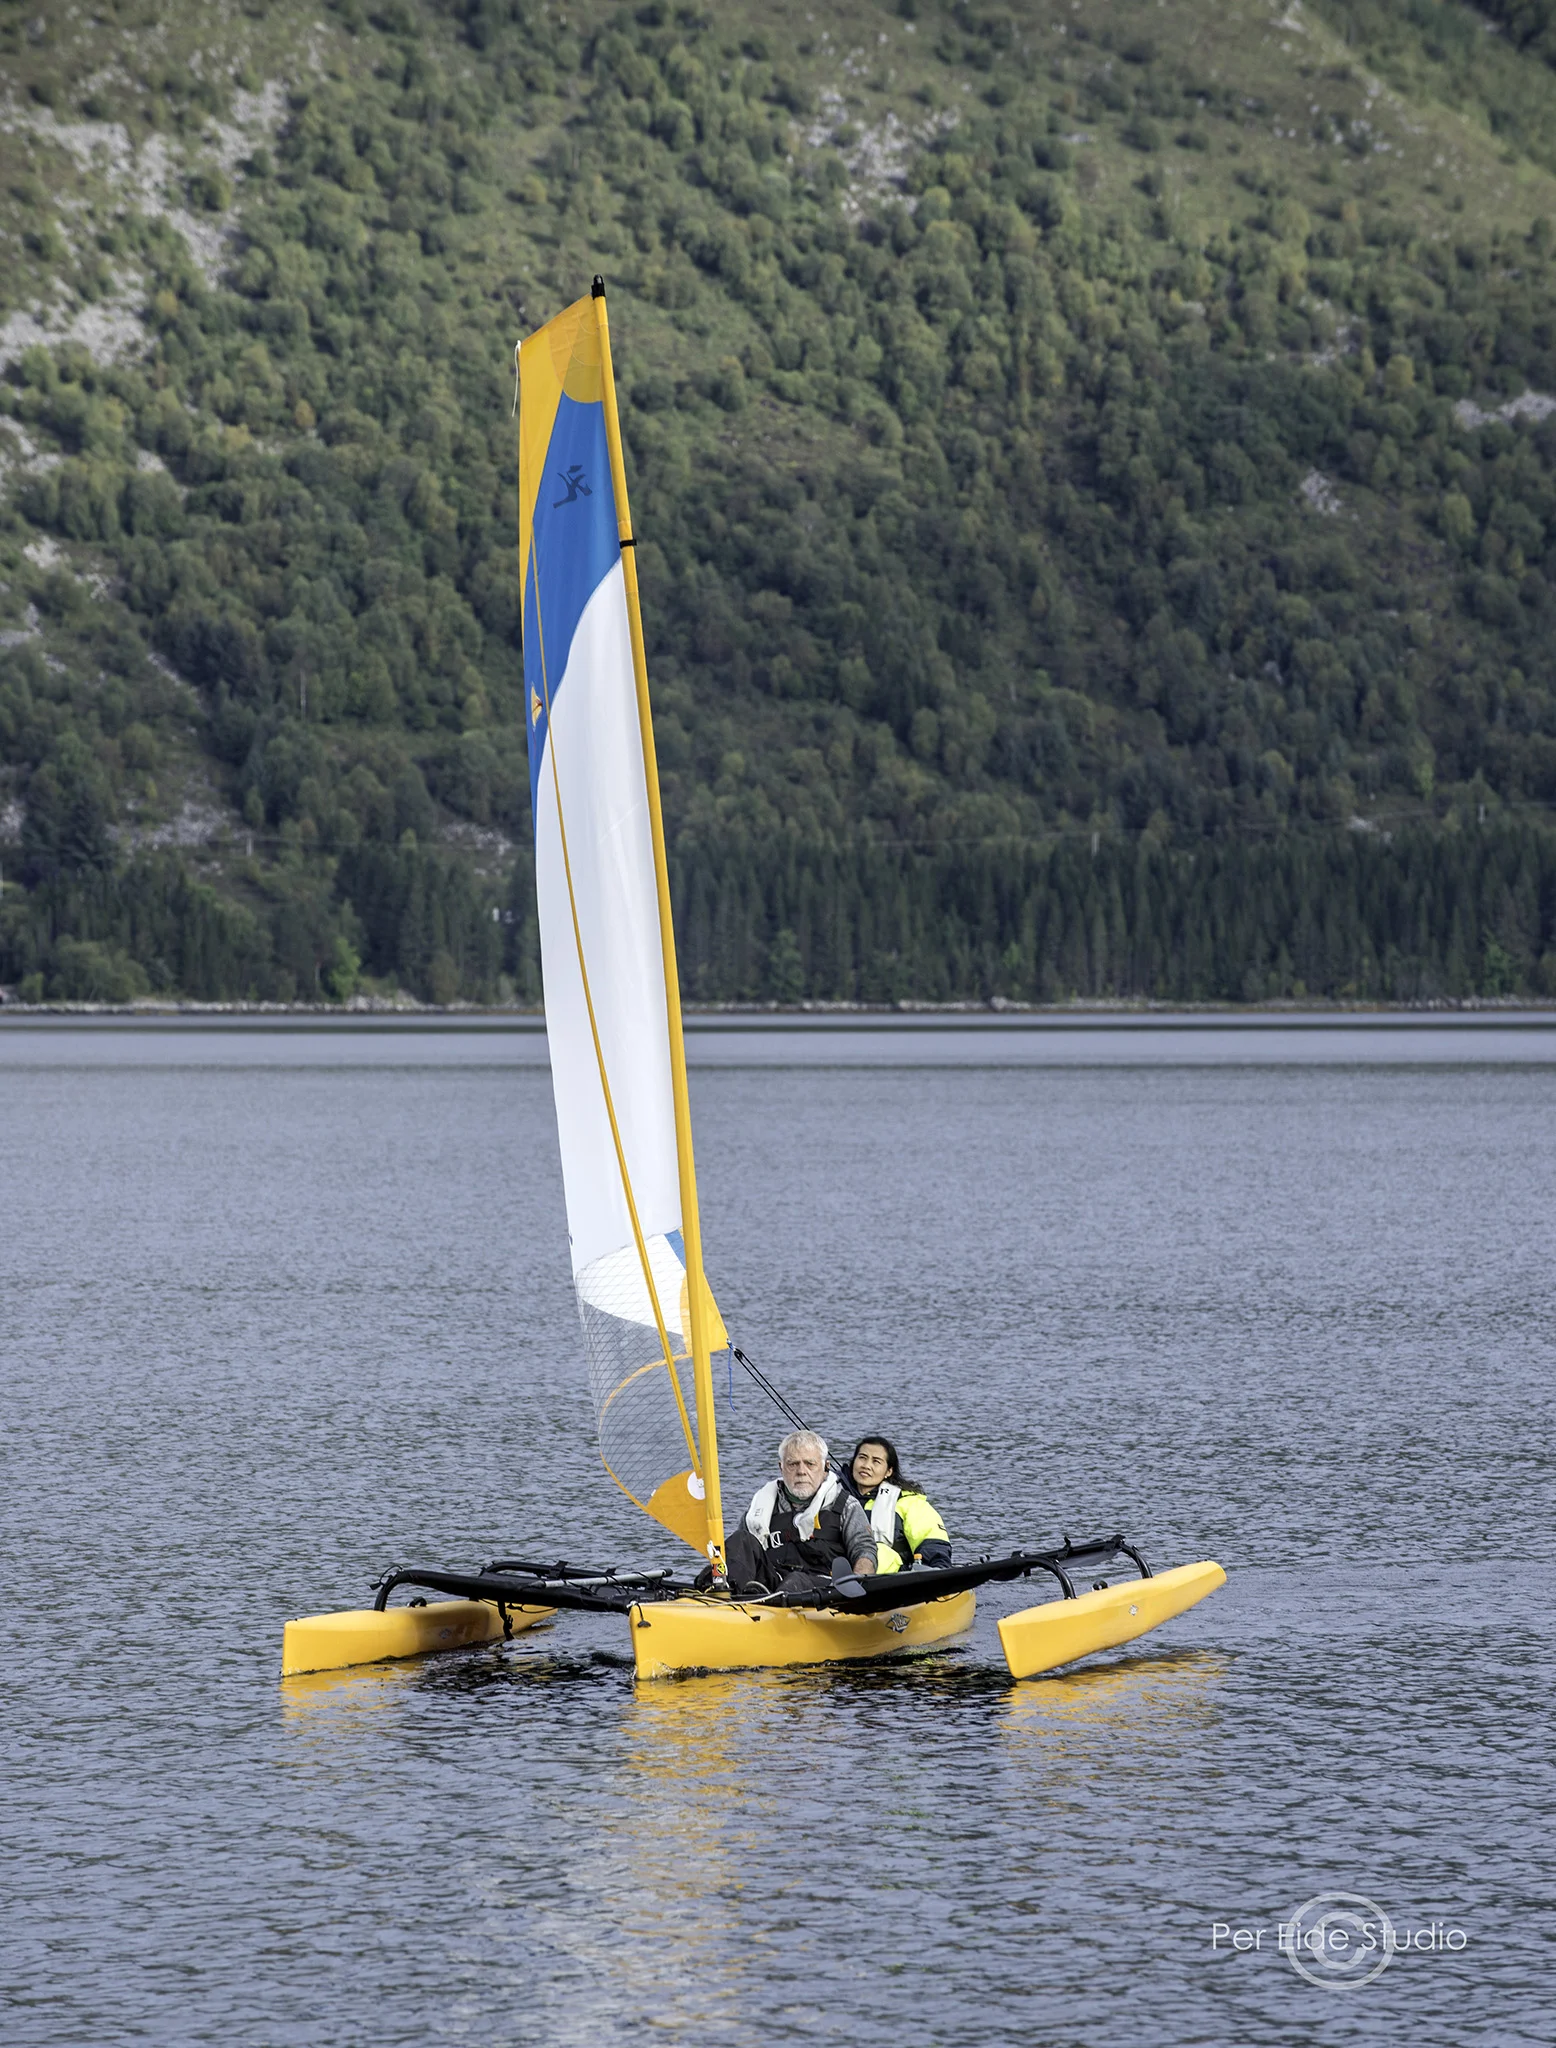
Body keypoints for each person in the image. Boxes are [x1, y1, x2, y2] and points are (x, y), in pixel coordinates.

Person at [721, 1429, 877, 1593]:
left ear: (826, 1467)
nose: (801, 1471)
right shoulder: (758, 1510)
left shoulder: (846, 1505)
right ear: (781, 1467)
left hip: (824, 1589)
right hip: (769, 1585)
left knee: (796, 1579)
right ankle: (722, 1593)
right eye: (793, 1464)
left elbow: (864, 1550)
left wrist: (858, 1582)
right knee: (740, 1539)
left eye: (810, 1464)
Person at [847, 1435, 952, 1574]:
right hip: (837, 1572)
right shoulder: (836, 1496)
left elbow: (932, 1543)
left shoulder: (909, 1503)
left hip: (894, 1579)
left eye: (876, 1461)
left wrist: (938, 1573)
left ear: (888, 1471)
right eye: (862, 1458)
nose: (866, 1466)